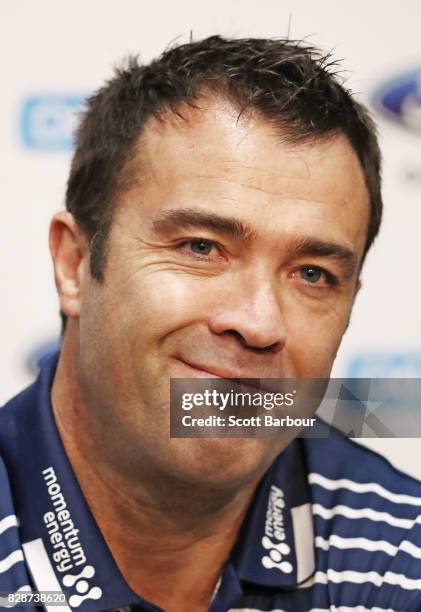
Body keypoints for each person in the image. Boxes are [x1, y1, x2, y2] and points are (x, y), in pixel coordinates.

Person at [1, 35, 421, 612]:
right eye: (202, 246)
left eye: (313, 274)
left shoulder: (401, 551)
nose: (259, 322)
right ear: (75, 264)